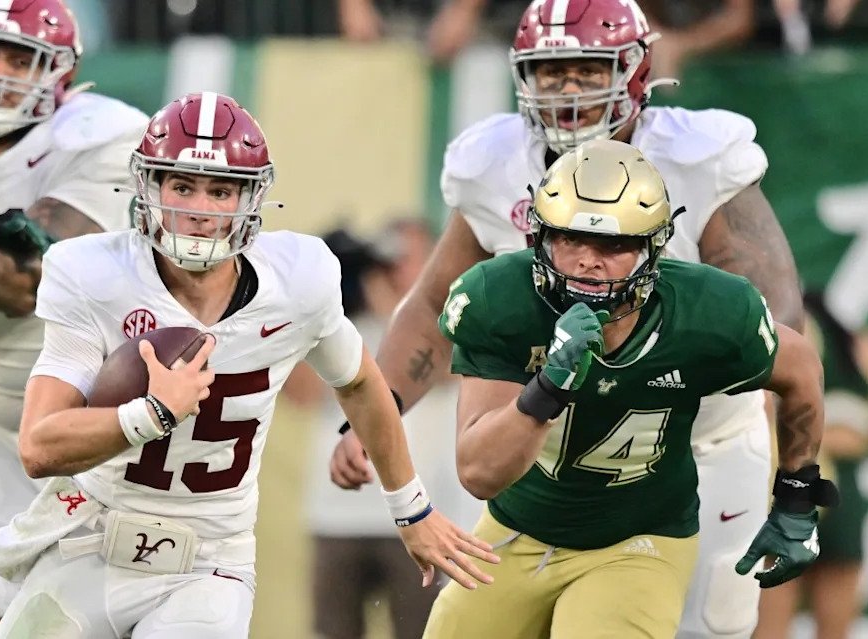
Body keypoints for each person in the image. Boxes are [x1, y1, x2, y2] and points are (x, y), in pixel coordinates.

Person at [330, 1, 803, 637]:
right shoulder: (494, 164)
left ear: (635, 70)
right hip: (553, 449)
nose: (570, 88)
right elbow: (435, 302)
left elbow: (775, 313)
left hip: (699, 440)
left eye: (586, 67)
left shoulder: (698, 155)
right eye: (552, 71)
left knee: (709, 626)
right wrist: (378, 412)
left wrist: (788, 467)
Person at [0, 92, 498, 639]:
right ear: (150, 187)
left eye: (221, 190)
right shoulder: (93, 274)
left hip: (206, 562)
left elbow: (360, 383)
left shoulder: (297, 281)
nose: (200, 206)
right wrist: (152, 414)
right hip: (90, 537)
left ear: (250, 198)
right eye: (183, 184)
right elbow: (39, 445)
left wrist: (411, 509)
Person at [421, 138, 833, 638]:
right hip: (517, 528)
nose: (589, 261)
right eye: (571, 239)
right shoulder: (500, 298)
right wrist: (549, 385)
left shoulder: (710, 311)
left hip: (637, 539)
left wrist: (795, 496)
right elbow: (481, 474)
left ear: (653, 246)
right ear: (539, 238)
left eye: (614, 245)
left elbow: (801, 368)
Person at [0, 1, 149, 636]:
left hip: (96, 408)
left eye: (21, 59)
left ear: (61, 73)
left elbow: (26, 279)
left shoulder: (103, 135)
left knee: (103, 613)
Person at [297, 222, 480, 639]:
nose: (396, 268)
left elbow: (449, 369)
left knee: (421, 631)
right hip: (336, 516)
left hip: (421, 513)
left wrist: (399, 305)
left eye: (411, 258)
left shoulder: (447, 322)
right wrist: (321, 300)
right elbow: (301, 395)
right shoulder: (341, 325)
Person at [754, 291, 868, 639]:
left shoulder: (837, 334)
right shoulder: (771, 327)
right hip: (790, 488)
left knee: (832, 620)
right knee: (774, 613)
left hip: (831, 490)